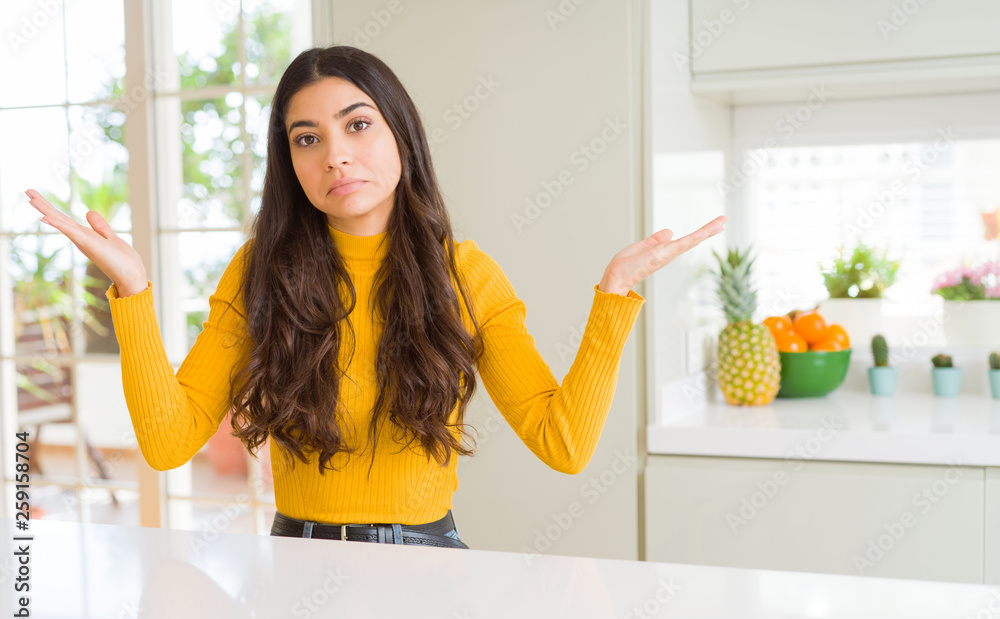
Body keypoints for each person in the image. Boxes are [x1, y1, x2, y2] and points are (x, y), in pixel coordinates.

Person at [24, 45, 726, 549]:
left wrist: (616, 295)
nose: (335, 154)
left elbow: (564, 443)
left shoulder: (467, 273)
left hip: (426, 559)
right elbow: (168, 440)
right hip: (296, 560)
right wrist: (134, 292)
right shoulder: (258, 273)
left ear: (401, 134)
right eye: (308, 137)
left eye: (357, 124)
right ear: (291, 161)